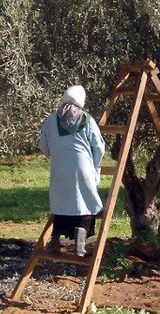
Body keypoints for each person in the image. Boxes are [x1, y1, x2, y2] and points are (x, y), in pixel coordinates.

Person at [38, 85, 105, 257]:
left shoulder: (52, 119)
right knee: (86, 204)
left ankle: (54, 241)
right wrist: (95, 165)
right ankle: (79, 246)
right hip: (83, 168)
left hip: (59, 169)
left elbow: (43, 146)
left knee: (62, 204)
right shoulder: (86, 119)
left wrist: (57, 154)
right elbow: (98, 147)